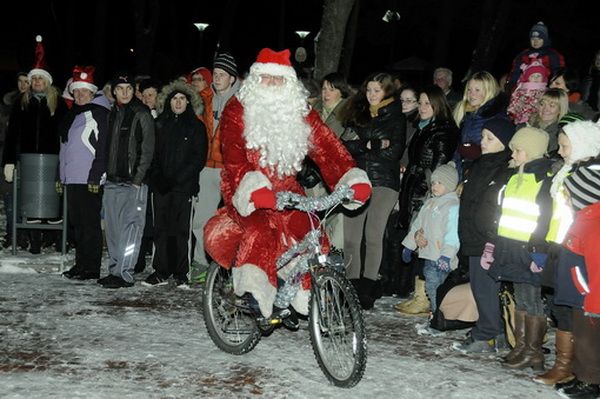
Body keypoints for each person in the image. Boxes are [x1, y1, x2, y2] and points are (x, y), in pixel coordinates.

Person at [203, 48, 371, 321]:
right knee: (259, 230)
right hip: (245, 188)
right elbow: (233, 155)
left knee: (310, 230)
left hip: (287, 189)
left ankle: (301, 294)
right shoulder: (239, 108)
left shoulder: (298, 111)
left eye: (278, 79)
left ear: (289, 83)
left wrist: (351, 178)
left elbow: (327, 147)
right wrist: (252, 188)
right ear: (256, 80)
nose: (272, 84)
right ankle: (254, 294)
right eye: (266, 78)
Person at [533, 119, 600, 385]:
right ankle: (571, 368)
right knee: (565, 307)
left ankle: (580, 371)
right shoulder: (572, 172)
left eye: (564, 146)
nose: (559, 152)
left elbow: (577, 208)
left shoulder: (588, 175)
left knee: (579, 311)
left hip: (578, 249)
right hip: (563, 245)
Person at [487, 127, 553, 371]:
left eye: (518, 149)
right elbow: (502, 214)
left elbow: (544, 218)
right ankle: (521, 347)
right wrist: (494, 244)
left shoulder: (542, 182)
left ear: (532, 152)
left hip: (528, 249)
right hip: (510, 247)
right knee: (521, 299)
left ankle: (533, 351)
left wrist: (539, 250)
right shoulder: (515, 178)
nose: (512, 153)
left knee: (531, 299)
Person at [342, 72, 406, 310]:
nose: (371, 95)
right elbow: (344, 146)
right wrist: (373, 144)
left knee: (373, 235)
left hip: (384, 181)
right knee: (350, 238)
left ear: (387, 91)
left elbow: (394, 152)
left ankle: (368, 287)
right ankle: (350, 285)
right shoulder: (357, 113)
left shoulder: (395, 116)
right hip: (357, 179)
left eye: (377, 90)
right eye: (369, 90)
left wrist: (362, 146)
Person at [454, 116, 516, 353]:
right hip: (472, 235)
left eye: (490, 138)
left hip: (487, 238)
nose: (484, 142)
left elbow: (495, 205)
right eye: (483, 137)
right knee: (483, 287)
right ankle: (497, 331)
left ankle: (485, 334)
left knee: (484, 287)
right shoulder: (480, 164)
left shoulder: (504, 169)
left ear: (505, 143)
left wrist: (490, 233)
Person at [395, 86, 458, 314]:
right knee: (418, 238)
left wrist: (430, 192)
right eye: (420, 103)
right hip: (416, 184)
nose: (422, 108)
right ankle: (419, 293)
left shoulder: (442, 130)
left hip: (426, 189)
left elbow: (437, 165)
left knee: (426, 239)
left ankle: (424, 297)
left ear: (438, 106)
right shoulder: (424, 127)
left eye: (427, 104)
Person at [1, 35, 67, 254]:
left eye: (41, 79)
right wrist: (9, 161)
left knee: (51, 201)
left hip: (52, 160)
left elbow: (66, 132)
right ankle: (32, 242)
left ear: (47, 81)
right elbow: (12, 134)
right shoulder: (22, 102)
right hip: (27, 159)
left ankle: (56, 240)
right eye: (34, 79)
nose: (37, 82)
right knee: (29, 201)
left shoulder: (57, 102)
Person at [143, 81, 207, 287]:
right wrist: (158, 178)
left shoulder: (196, 126)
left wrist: (178, 179)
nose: (178, 103)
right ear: (168, 102)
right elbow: (151, 153)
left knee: (181, 232)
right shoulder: (159, 124)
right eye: (174, 99)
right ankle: (160, 271)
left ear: (188, 102)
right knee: (160, 229)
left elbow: (198, 158)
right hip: (161, 187)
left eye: (182, 99)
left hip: (183, 187)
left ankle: (181, 273)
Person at [97, 73, 155, 289]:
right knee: (112, 230)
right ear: (113, 91)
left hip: (133, 183)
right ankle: (114, 270)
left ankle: (125, 273)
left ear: (134, 91)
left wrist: (138, 179)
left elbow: (147, 150)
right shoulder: (112, 113)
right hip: (112, 181)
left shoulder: (141, 114)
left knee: (130, 230)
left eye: (128, 89)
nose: (124, 93)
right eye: (120, 88)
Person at [191, 53, 241, 277]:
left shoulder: (242, 101)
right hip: (206, 167)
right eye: (216, 74)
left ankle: (235, 267)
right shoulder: (203, 99)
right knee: (200, 219)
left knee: (236, 219)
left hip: (231, 169)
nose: (217, 78)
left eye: (222, 75)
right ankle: (201, 263)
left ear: (232, 78)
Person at [58, 66, 110, 280]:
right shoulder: (73, 115)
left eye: (84, 92)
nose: (79, 95)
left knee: (90, 225)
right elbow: (64, 148)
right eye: (76, 91)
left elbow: (103, 147)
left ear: (92, 93)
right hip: (72, 178)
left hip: (89, 177)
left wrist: (96, 175)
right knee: (78, 224)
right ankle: (81, 264)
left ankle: (91, 268)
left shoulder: (99, 113)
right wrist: (60, 176)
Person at [555, 163, 600, 398]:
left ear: (584, 196)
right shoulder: (584, 219)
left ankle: (592, 383)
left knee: (589, 342)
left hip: (590, 299)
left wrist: (594, 303)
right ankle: (581, 376)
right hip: (578, 293)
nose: (567, 201)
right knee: (580, 339)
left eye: (570, 196)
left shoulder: (594, 226)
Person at [401, 162, 460, 314]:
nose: (435, 186)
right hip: (428, 254)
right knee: (430, 286)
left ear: (449, 184)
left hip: (441, 257)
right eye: (433, 182)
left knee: (435, 288)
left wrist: (446, 256)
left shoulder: (452, 206)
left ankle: (438, 316)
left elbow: (452, 235)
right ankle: (436, 315)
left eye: (440, 183)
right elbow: (417, 225)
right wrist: (409, 245)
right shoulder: (430, 203)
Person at [453, 71, 508, 176]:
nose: (472, 94)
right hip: (462, 169)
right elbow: (460, 146)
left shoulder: (497, 117)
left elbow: (497, 153)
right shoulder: (468, 114)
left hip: (480, 172)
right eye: (469, 89)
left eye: (477, 90)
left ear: (489, 91)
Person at [0, 72, 29, 248]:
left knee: (27, 196)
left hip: (28, 157)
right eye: (20, 81)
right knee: (9, 197)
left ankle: (25, 234)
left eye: (27, 81)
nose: (23, 85)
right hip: (7, 155)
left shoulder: (34, 104)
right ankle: (12, 233)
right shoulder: (7, 104)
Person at [506, 21, 565, 93]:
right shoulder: (523, 55)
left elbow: (558, 73)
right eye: (533, 39)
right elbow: (515, 72)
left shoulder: (552, 55)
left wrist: (552, 89)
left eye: (539, 39)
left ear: (545, 40)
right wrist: (510, 86)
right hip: (523, 89)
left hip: (544, 90)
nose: (535, 42)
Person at [520, 88, 568, 155]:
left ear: (560, 109)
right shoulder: (528, 125)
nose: (545, 109)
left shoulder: (560, 134)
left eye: (552, 106)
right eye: (542, 104)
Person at [507, 60, 548, 125]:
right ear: (527, 78)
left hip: (538, 118)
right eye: (532, 76)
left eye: (538, 76)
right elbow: (515, 101)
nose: (536, 78)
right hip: (522, 117)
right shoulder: (522, 89)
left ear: (543, 77)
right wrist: (513, 113)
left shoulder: (545, 91)